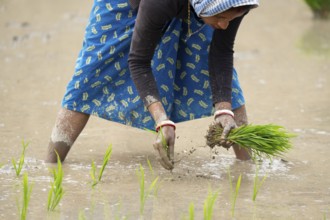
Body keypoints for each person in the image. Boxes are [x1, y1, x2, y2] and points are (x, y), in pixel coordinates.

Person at [46, 0, 259, 170]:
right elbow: (138, 61)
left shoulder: (234, 5)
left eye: (230, 18)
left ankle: (247, 167)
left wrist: (224, 108)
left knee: (223, 81)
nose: (224, 25)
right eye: (220, 17)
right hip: (126, 7)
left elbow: (221, 52)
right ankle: (50, 165)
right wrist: (161, 119)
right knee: (92, 73)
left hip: (195, 10)